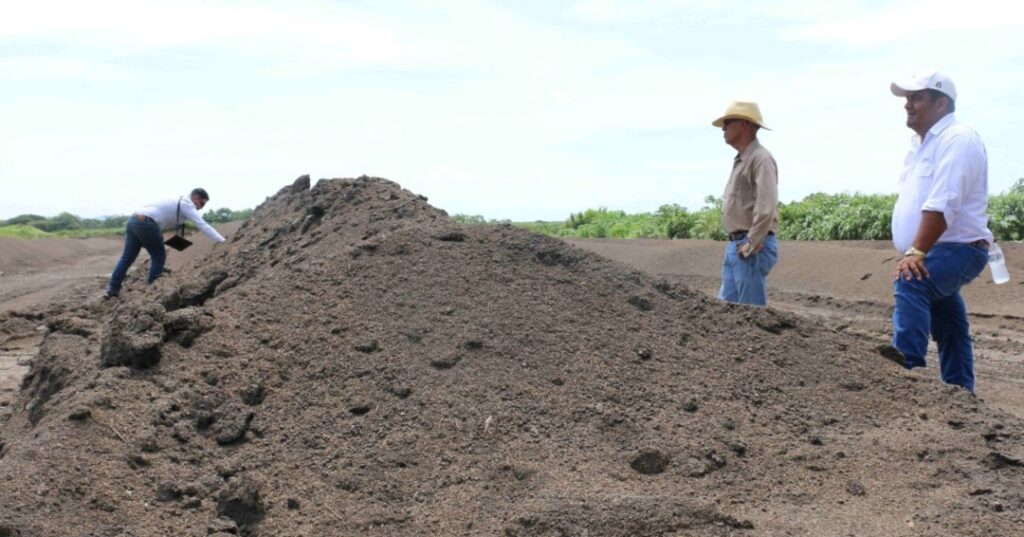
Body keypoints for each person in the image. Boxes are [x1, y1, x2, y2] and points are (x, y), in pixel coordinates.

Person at [889, 71, 993, 392]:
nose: (908, 105)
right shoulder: (923, 145)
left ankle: (908, 374)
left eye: (916, 98)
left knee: (911, 282)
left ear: (941, 103)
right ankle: (961, 393)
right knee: (948, 322)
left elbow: (943, 202)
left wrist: (916, 251)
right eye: (907, 99)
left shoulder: (957, 139)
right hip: (941, 249)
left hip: (956, 248)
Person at [711, 101, 780, 306]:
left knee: (750, 317)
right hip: (736, 244)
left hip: (750, 246)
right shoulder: (742, 159)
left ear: (744, 124)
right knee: (726, 313)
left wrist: (751, 244)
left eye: (728, 122)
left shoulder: (760, 159)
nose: (723, 128)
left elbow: (766, 206)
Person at [105, 188, 226, 298]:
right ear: (195, 198)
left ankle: (112, 289)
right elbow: (202, 225)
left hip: (134, 220)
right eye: (202, 203)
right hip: (147, 222)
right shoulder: (186, 204)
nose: (202, 207)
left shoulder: (178, 201)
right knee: (159, 256)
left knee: (127, 257)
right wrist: (221, 241)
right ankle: (153, 289)